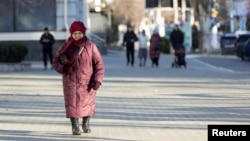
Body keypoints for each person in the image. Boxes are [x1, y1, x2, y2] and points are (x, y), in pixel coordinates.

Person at [52, 21, 105, 135]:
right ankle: (75, 126)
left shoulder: (90, 46)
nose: (77, 35)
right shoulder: (65, 47)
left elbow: (99, 64)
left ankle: (86, 123)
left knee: (87, 104)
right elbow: (56, 61)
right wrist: (63, 68)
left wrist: (97, 80)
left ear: (83, 33)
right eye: (75, 33)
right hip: (70, 81)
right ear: (71, 34)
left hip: (87, 82)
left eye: (79, 33)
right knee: (72, 104)